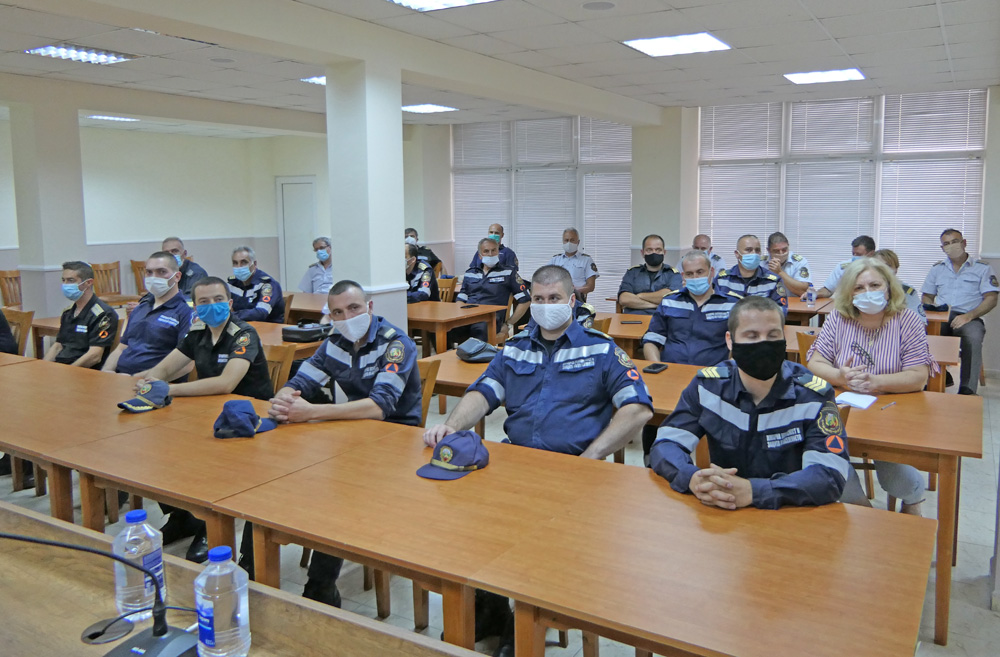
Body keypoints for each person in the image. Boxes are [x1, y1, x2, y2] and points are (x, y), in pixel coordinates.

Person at [424, 265, 653, 656]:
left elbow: (637, 408)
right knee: (467, 518)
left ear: (572, 301)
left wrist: (591, 457)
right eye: (538, 299)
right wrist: (450, 425)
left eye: (554, 299)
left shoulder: (600, 349)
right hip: (516, 464)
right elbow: (484, 392)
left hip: (572, 470)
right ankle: (490, 608)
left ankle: (521, 627)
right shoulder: (515, 347)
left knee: (532, 538)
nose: (546, 306)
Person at [266, 280, 423, 606]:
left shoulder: (396, 343)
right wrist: (284, 399)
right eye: (338, 312)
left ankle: (320, 587)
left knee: (337, 493)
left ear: (369, 307)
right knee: (281, 475)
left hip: (397, 441)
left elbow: (379, 407)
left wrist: (311, 413)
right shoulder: (334, 342)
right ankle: (252, 571)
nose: (347, 317)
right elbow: (302, 381)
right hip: (353, 435)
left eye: (353, 308)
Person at [650, 296, 852, 510]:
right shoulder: (708, 387)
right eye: (752, 336)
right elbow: (666, 444)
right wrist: (692, 478)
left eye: (773, 335)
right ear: (730, 340)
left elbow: (830, 475)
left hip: (789, 511)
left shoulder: (813, 395)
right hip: (723, 512)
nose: (763, 344)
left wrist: (754, 491)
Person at [132, 276, 273, 561]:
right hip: (209, 412)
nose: (212, 306)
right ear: (195, 307)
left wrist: (169, 389)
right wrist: (149, 381)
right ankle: (182, 517)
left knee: (202, 459)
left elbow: (226, 383)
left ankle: (210, 526)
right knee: (161, 448)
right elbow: (166, 367)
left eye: (218, 300)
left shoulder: (243, 334)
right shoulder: (198, 331)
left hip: (248, 421)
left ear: (230, 303)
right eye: (204, 302)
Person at [806, 259, 936, 515]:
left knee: (899, 481)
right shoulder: (838, 318)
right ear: (849, 294)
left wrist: (876, 381)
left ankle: (913, 500)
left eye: (874, 285)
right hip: (844, 410)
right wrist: (840, 376)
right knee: (833, 465)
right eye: (859, 288)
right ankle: (866, 518)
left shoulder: (907, 320)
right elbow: (815, 362)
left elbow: (918, 376)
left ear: (888, 288)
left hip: (892, 410)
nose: (867, 293)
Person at [639, 250, 741, 463]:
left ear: (711, 272)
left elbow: (740, 345)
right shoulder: (669, 301)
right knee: (651, 406)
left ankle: (713, 462)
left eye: (700, 272)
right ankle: (650, 458)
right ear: (683, 276)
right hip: (670, 376)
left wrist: (731, 371)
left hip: (714, 379)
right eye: (690, 274)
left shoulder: (732, 304)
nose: (695, 278)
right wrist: (657, 368)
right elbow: (651, 340)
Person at [922, 228, 999, 395]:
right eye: (946, 244)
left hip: (970, 316)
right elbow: (927, 296)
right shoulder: (937, 269)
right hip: (942, 315)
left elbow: (991, 298)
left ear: (964, 243)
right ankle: (936, 379)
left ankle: (967, 389)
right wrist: (932, 312)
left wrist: (969, 316)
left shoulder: (982, 268)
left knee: (973, 337)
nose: (951, 246)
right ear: (942, 248)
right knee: (926, 334)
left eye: (955, 242)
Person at [103, 252, 194, 376]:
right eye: (149, 272)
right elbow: (121, 348)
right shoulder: (140, 308)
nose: (154, 277)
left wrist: (136, 379)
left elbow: (187, 365)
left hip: (155, 381)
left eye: (161, 272)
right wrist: (106, 372)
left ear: (177, 276)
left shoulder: (186, 312)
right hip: (121, 377)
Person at [44, 261, 119, 369]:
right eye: (63, 280)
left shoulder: (104, 314)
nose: (65, 285)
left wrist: (69, 371)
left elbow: (95, 355)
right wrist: (44, 368)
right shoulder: (68, 312)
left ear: (88, 283)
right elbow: (58, 346)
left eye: (71, 280)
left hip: (82, 370)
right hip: (62, 367)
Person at [454, 238, 530, 342]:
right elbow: (461, 298)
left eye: (493, 250)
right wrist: (459, 316)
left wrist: (509, 324)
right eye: (486, 251)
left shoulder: (508, 273)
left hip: (491, 319)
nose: (490, 254)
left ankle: (480, 352)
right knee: (446, 329)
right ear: (480, 255)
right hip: (469, 316)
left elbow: (525, 300)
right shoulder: (470, 273)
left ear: (498, 252)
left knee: (478, 330)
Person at [714, 234, 788, 310]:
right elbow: (713, 308)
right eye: (748, 250)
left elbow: (781, 310)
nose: (754, 253)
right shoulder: (722, 280)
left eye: (757, 250)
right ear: (737, 254)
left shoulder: (773, 281)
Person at [618, 234, 683, 315]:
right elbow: (624, 299)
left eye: (658, 250)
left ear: (664, 252)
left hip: (662, 319)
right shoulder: (632, 272)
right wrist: (655, 305)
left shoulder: (673, 274)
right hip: (633, 318)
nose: (654, 253)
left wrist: (639, 296)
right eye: (649, 250)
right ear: (642, 253)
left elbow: (671, 298)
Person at [228, 245, 285, 323]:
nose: (239, 267)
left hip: (268, 327)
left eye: (244, 262)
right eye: (235, 263)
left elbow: (261, 313)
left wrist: (231, 316)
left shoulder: (268, 284)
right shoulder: (232, 284)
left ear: (254, 264)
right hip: (243, 326)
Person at [872, 249, 926, 324]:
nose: (884, 270)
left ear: (896, 269)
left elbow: (920, 322)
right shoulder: (866, 291)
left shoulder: (907, 292)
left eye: (888, 266)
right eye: (879, 266)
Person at [547, 227, 598, 301]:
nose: (569, 243)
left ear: (578, 242)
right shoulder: (555, 260)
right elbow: (544, 279)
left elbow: (591, 286)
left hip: (577, 299)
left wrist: (575, 290)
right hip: (556, 299)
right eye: (566, 240)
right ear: (563, 242)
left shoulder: (586, 260)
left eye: (572, 240)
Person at [766, 231, 812, 298]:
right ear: (768, 250)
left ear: (788, 246)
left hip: (793, 303)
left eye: (784, 249)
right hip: (767, 303)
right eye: (776, 251)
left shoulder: (799, 262)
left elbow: (803, 291)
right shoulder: (761, 263)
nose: (781, 253)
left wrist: (780, 272)